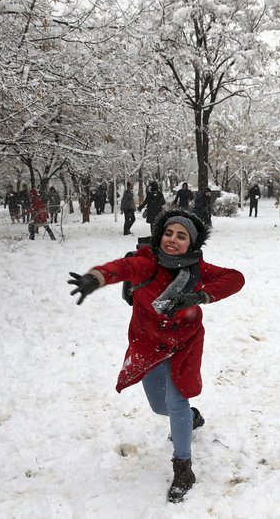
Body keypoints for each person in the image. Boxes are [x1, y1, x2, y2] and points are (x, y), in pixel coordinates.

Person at [67, 210, 244, 503]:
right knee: (160, 406)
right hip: (149, 345)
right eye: (168, 233)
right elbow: (120, 268)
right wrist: (94, 278)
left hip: (185, 344)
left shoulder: (197, 267)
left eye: (181, 236)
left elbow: (235, 278)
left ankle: (183, 468)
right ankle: (190, 418)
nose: (172, 240)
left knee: (176, 401)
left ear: (191, 243)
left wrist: (199, 296)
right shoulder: (147, 263)